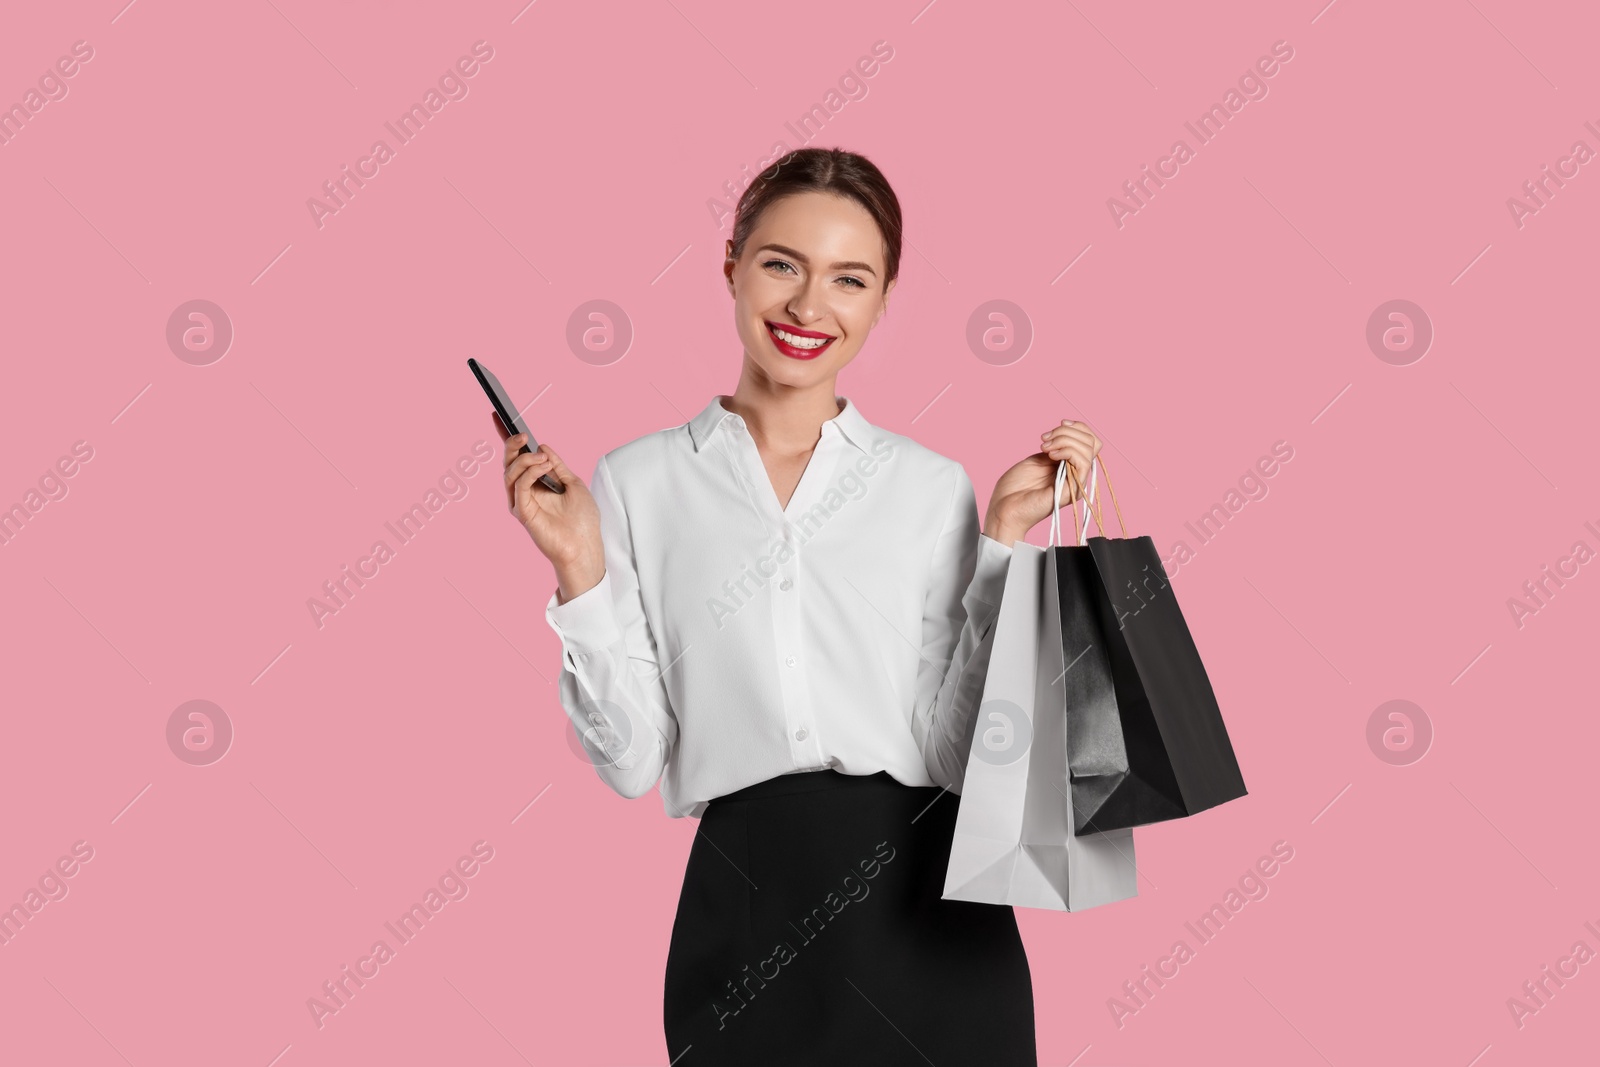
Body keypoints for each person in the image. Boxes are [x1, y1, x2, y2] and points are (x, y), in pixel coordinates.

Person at [497, 147, 1101, 1065]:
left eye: (849, 279)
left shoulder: (929, 487)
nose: (809, 307)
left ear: (884, 297)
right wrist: (579, 568)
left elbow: (949, 750)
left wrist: (1004, 544)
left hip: (930, 913)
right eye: (782, 264)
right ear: (731, 262)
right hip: (749, 911)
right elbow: (632, 765)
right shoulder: (639, 481)